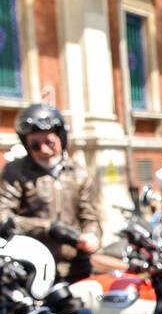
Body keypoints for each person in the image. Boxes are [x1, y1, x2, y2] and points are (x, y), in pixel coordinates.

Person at [0, 103, 101, 281]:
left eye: (50, 142)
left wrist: (92, 236)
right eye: (35, 145)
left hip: (76, 267)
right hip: (31, 268)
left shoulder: (79, 173)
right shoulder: (15, 172)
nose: (44, 150)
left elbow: (90, 217)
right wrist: (49, 228)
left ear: (61, 137)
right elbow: (3, 217)